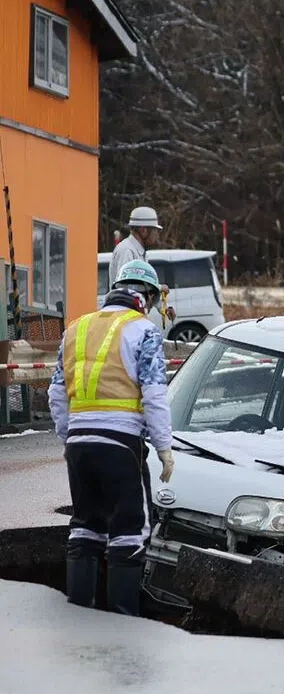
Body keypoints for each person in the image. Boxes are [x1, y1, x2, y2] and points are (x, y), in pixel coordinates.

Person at [48, 260, 175, 616]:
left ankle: (80, 611)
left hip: (79, 442)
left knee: (86, 526)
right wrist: (164, 448)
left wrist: (69, 437)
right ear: (146, 297)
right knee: (130, 530)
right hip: (120, 441)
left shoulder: (76, 327)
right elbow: (154, 394)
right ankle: (122, 620)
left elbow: (57, 394)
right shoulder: (143, 330)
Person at [109, 206, 162, 285]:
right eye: (154, 230)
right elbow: (125, 286)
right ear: (143, 230)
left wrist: (158, 288)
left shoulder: (139, 251)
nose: (156, 235)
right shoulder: (127, 251)